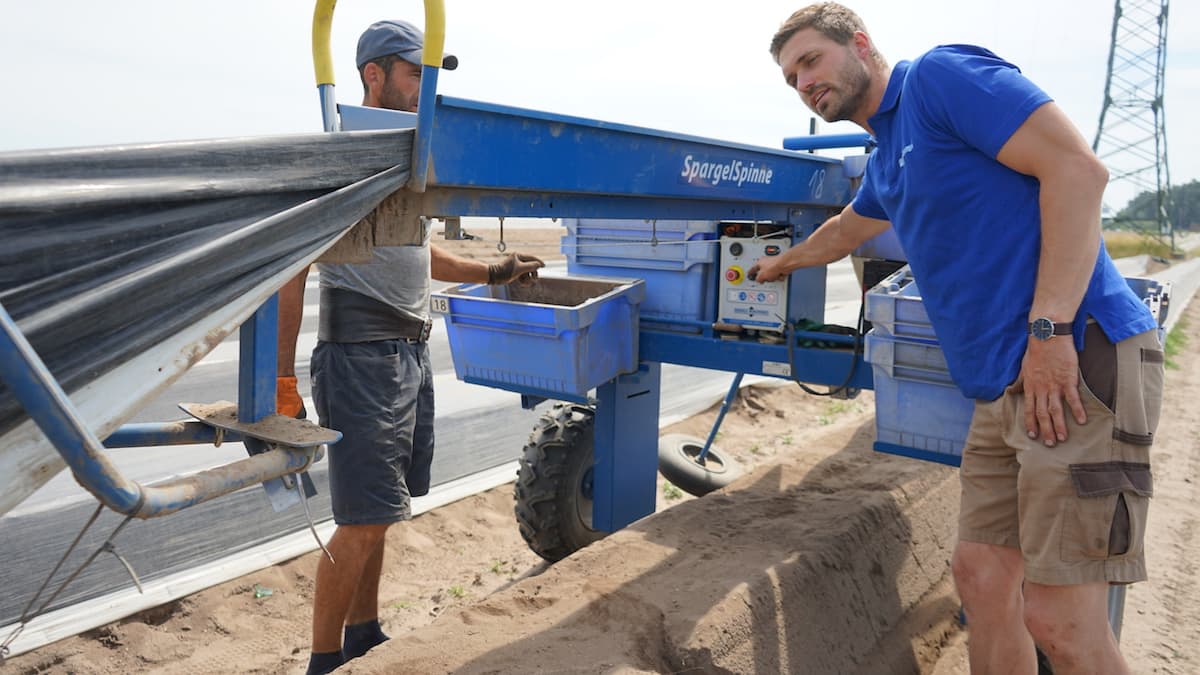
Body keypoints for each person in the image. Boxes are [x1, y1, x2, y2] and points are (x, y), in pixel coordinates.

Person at [750, 5, 1162, 673]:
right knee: (983, 578)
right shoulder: (889, 160)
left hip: (1074, 354)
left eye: (810, 61)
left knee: (1059, 618)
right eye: (791, 76)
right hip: (1002, 386)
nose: (802, 81)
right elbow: (846, 233)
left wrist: (1051, 327)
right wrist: (778, 263)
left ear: (859, 43)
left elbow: (1078, 172)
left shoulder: (939, 82)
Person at [291, 20, 546, 675]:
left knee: (383, 511)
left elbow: (415, 249)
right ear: (373, 75)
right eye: (414, 73)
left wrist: (492, 270)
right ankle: (322, 662)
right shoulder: (339, 158)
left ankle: (363, 633)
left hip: (406, 354)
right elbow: (289, 269)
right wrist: (278, 382)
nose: (424, 87)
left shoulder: (401, 160)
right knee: (361, 517)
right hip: (360, 357)